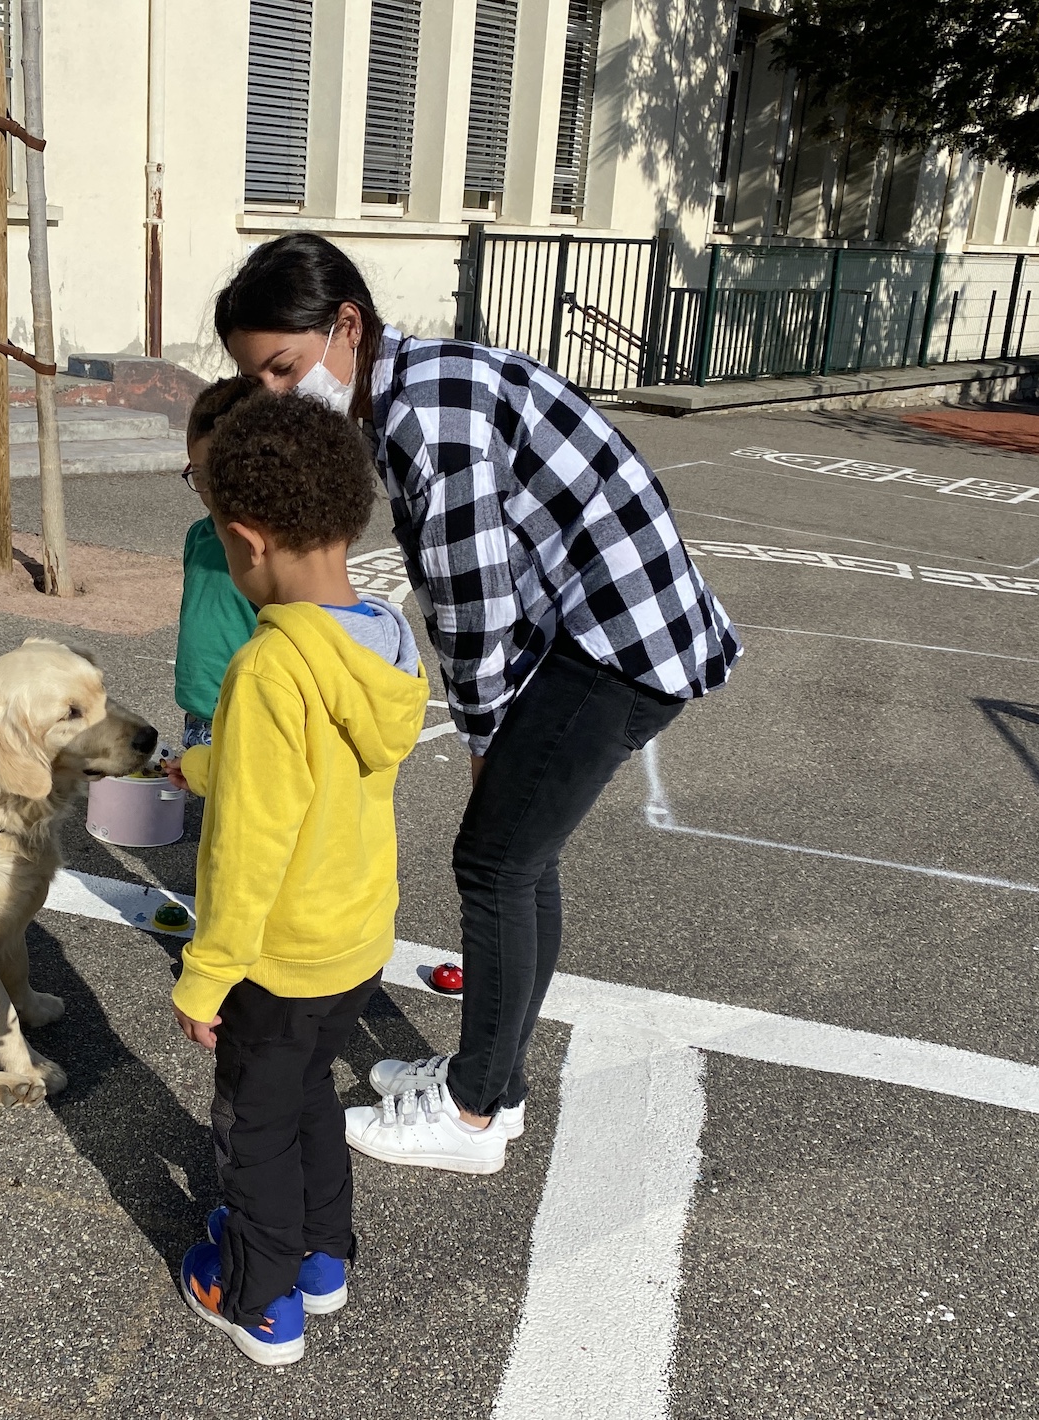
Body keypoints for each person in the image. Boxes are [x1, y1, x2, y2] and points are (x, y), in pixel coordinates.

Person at [213, 232, 740, 1175]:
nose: (281, 398)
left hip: (618, 648)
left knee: (494, 861)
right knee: (519, 859)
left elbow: (470, 599)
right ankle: (494, 1080)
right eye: (261, 382)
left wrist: (485, 738)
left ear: (347, 326)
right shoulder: (415, 385)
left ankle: (471, 1112)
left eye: (287, 368)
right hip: (611, 634)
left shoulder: (427, 410)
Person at [164, 390, 428, 1366]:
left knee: (255, 1129)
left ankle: (257, 1294)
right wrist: (192, 767)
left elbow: (248, 843)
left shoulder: (271, 668)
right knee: (306, 1093)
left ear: (247, 540)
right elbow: (301, 772)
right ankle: (323, 1259)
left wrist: (206, 973)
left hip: (278, 959)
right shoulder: (380, 640)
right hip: (356, 941)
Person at [174, 376, 261, 750]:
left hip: (249, 712)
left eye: (217, 475)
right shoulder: (199, 536)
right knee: (209, 806)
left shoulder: (266, 548)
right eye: (198, 475)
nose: (208, 490)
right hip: (199, 712)